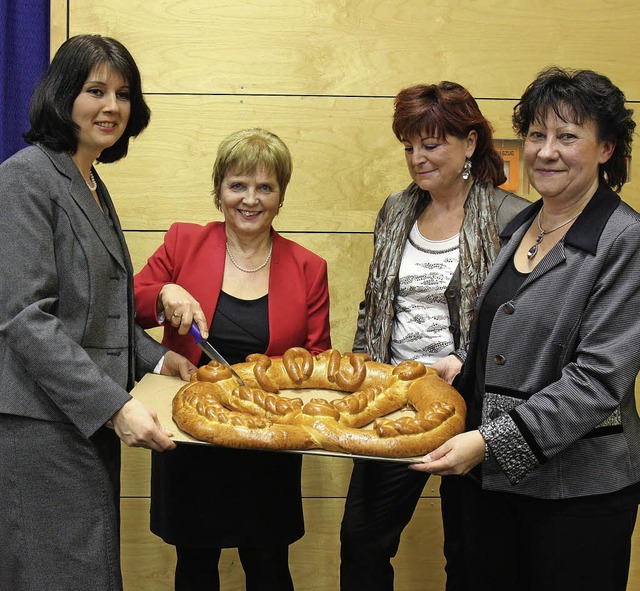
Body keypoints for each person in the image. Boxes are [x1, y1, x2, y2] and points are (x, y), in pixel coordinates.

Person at [412, 67, 640, 591]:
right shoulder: (519, 226)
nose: (546, 150)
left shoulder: (624, 240)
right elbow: (506, 330)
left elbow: (597, 383)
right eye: (537, 134)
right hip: (487, 483)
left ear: (606, 149)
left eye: (567, 136)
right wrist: (462, 364)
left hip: (575, 496)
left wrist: (489, 444)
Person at [0, 35, 196, 591]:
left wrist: (160, 363)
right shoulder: (24, 179)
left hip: (79, 423)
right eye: (95, 91)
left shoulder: (89, 180)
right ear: (63, 96)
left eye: (123, 94)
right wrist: (115, 406)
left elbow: (100, 313)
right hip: (39, 428)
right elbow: (25, 318)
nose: (112, 106)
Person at [340, 82, 529, 590]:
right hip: (396, 400)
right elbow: (373, 304)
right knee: (362, 542)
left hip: (472, 404)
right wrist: (364, 373)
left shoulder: (511, 218)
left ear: (469, 143)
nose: (417, 158)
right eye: (408, 146)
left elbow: (517, 321)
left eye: (431, 143)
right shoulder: (396, 210)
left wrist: (464, 363)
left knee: (470, 550)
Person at [134, 127, 332, 591]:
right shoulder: (183, 243)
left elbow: (318, 360)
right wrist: (165, 291)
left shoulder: (309, 267)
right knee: (195, 567)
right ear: (219, 191)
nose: (251, 199)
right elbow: (131, 301)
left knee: (268, 566)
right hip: (189, 438)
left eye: (265, 187)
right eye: (238, 185)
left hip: (268, 445)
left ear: (281, 196)